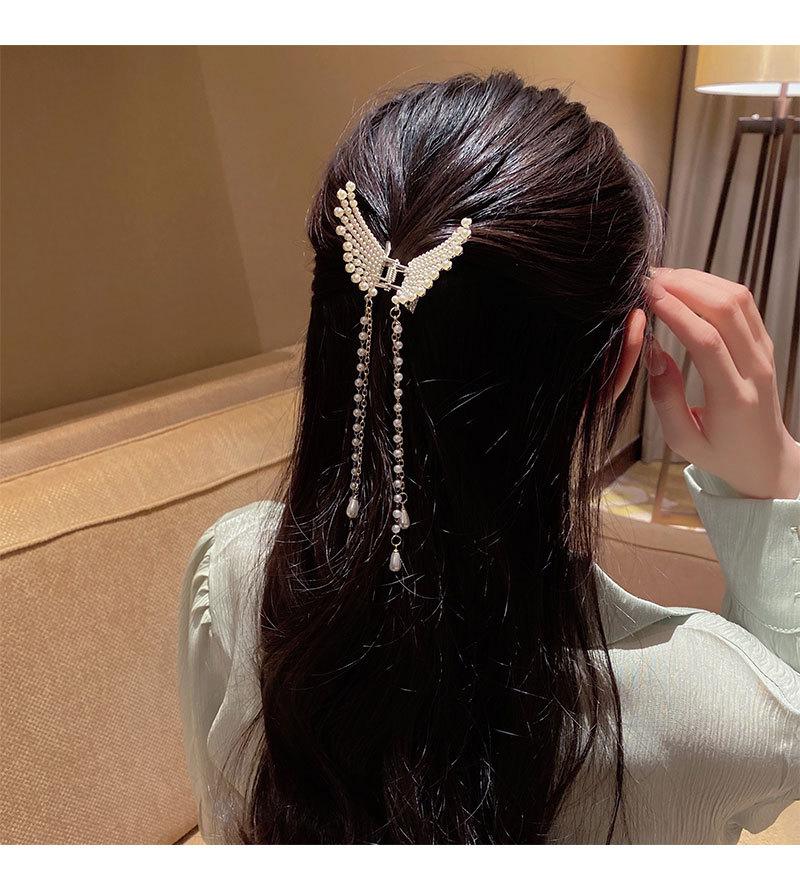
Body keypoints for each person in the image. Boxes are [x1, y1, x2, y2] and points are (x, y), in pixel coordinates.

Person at [178, 72, 800, 844]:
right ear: (622, 360)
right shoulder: (712, 700)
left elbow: (228, 821)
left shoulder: (233, 568)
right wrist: (776, 484)